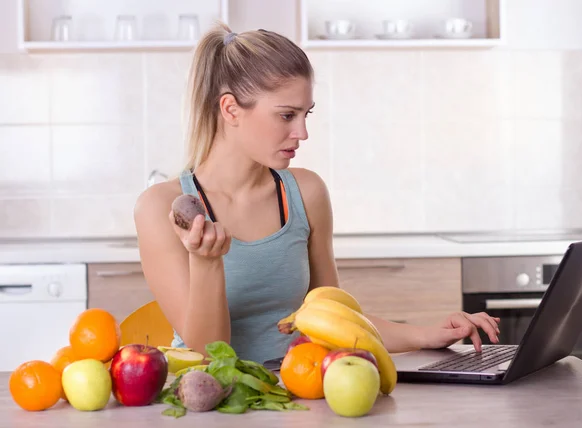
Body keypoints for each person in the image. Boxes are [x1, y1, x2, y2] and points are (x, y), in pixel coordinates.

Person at [134, 22, 501, 364]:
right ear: (231, 109)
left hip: (300, 393)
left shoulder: (305, 193)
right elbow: (209, 359)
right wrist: (206, 262)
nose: (302, 133)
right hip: (212, 406)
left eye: (306, 114)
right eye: (286, 115)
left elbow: (335, 321)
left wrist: (427, 334)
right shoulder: (160, 208)